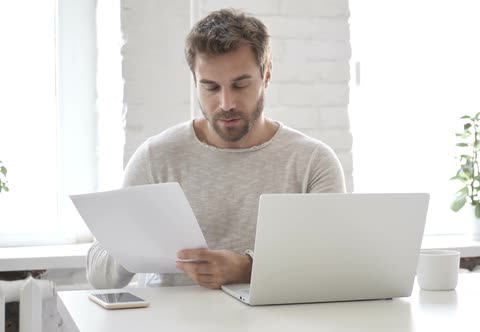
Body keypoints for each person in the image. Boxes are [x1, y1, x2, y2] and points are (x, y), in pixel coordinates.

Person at [86, 8, 346, 290]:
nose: (226, 103)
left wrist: (248, 268)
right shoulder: (157, 158)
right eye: (210, 87)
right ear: (195, 83)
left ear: (266, 75)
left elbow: (333, 266)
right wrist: (137, 236)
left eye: (240, 85)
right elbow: (98, 274)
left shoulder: (313, 163)